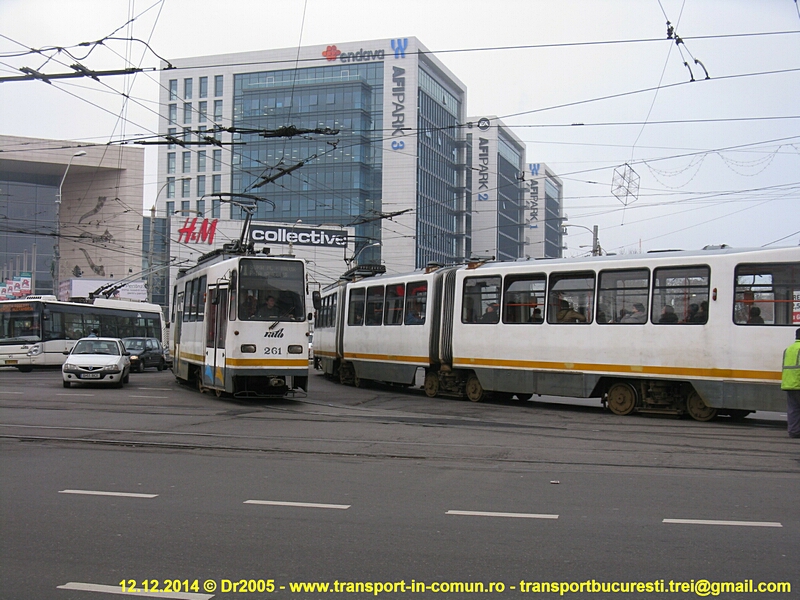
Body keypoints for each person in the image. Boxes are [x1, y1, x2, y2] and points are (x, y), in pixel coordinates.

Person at [780, 328, 800, 438]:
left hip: (789, 384)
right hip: (798, 383)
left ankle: (794, 432)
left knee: (793, 409)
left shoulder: (788, 349)